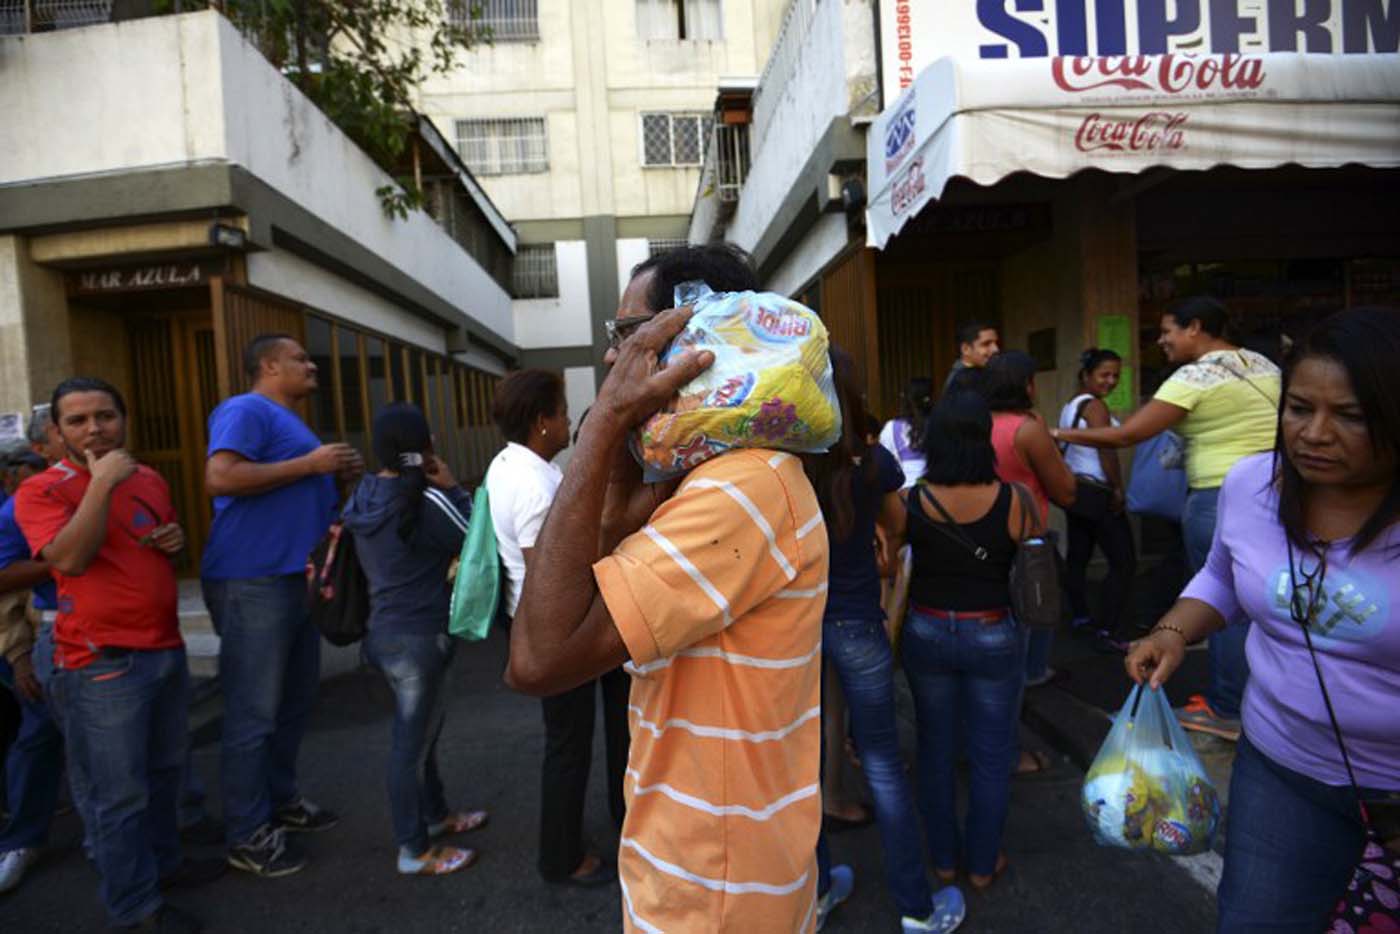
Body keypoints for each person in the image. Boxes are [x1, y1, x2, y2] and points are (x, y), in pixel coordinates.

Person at [506, 244, 829, 932]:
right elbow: (581, 607)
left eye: (627, 339)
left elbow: (538, 658)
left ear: (696, 339)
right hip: (698, 873)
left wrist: (602, 428)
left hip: (717, 898)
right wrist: (619, 479)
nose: (612, 363)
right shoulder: (711, 484)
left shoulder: (745, 486)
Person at [1124, 307, 1399, 933]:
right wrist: (1173, 630)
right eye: (1299, 408)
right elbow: (1223, 576)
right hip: (1281, 769)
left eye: (1350, 415)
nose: (1315, 434)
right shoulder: (1252, 484)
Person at [15, 378, 222, 933]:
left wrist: (172, 538)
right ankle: (135, 907)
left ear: (123, 420)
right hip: (100, 663)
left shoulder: (148, 477)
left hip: (162, 647)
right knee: (118, 796)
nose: (94, 430)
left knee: (163, 773)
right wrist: (100, 483)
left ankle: (165, 867)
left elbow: (142, 543)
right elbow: (71, 560)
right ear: (57, 433)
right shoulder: (42, 491)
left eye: (105, 417)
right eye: (77, 421)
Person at [1054, 296, 1281, 739]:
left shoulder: (1196, 376)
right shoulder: (1264, 365)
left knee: (1222, 602)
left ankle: (1227, 706)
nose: (1161, 341)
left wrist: (1054, 432)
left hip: (1219, 495)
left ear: (1195, 327)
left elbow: (1126, 434)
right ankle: (1260, 699)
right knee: (1261, 597)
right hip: (1273, 491)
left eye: (1167, 331)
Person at [809, 349, 966, 933]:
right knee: (882, 764)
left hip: (797, 630)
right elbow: (898, 527)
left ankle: (818, 892)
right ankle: (916, 910)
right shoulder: (872, 462)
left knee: (802, 770)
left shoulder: (788, 462)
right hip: (856, 623)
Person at [202, 334, 363, 876]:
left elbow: (294, 492)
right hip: (254, 579)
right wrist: (312, 465)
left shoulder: (287, 421)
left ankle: (280, 802)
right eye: (300, 358)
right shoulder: (245, 409)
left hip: (294, 581)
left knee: (292, 704)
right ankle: (247, 832)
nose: (311, 364)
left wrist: (333, 476)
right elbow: (220, 476)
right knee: (253, 712)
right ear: (268, 365)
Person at [888, 389, 1039, 894]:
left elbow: (890, 557)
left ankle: (945, 861)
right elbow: (1034, 562)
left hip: (928, 629)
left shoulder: (915, 501)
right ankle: (981, 863)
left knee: (934, 746)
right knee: (991, 753)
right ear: (983, 441)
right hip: (993, 629)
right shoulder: (1015, 501)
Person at [485, 369, 618, 887]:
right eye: (562, 412)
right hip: (556, 630)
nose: (567, 421)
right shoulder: (536, 482)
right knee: (568, 746)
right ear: (542, 421)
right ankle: (562, 857)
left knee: (567, 742)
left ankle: (573, 843)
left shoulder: (509, 464)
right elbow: (552, 572)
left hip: (540, 624)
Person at [342, 403, 485, 877]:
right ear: (424, 445)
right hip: (420, 637)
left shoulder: (364, 493)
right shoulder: (424, 499)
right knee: (410, 747)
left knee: (421, 737)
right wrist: (451, 488)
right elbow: (475, 538)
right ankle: (413, 850)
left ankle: (435, 816)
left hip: (385, 632)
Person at [981, 351, 1075, 693]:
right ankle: (1029, 679)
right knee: (1034, 612)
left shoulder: (974, 423)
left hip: (981, 534)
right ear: (1027, 385)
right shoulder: (1027, 429)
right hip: (1026, 538)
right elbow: (1065, 492)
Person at [0, 436, 61, 895]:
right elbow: (7, 596)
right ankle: (22, 840)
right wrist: (20, 657)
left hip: (109, 638)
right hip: (46, 641)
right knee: (36, 737)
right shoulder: (11, 518)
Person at [1058, 349, 1137, 646]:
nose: (1111, 381)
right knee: (1124, 562)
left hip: (1078, 492)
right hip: (1099, 494)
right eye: (1104, 374)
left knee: (1078, 556)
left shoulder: (1072, 405)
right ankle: (1108, 629)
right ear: (1086, 375)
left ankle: (1079, 616)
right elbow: (1107, 450)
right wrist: (1117, 489)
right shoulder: (1095, 406)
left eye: (1116, 375)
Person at [879, 378, 934, 490]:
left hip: (903, 489)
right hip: (935, 489)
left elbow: (884, 459)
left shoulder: (892, 427)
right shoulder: (939, 424)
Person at [943, 321, 1000, 392]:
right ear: (965, 349)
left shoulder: (982, 372)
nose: (996, 349)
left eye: (996, 343)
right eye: (986, 344)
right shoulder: (960, 382)